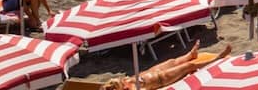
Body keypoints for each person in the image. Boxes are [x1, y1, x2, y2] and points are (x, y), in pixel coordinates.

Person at [99, 43, 230, 90]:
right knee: (188, 66)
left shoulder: (125, 82)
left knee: (173, 61)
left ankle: (190, 54)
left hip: (153, 71)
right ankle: (217, 58)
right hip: (162, 78)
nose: (121, 82)